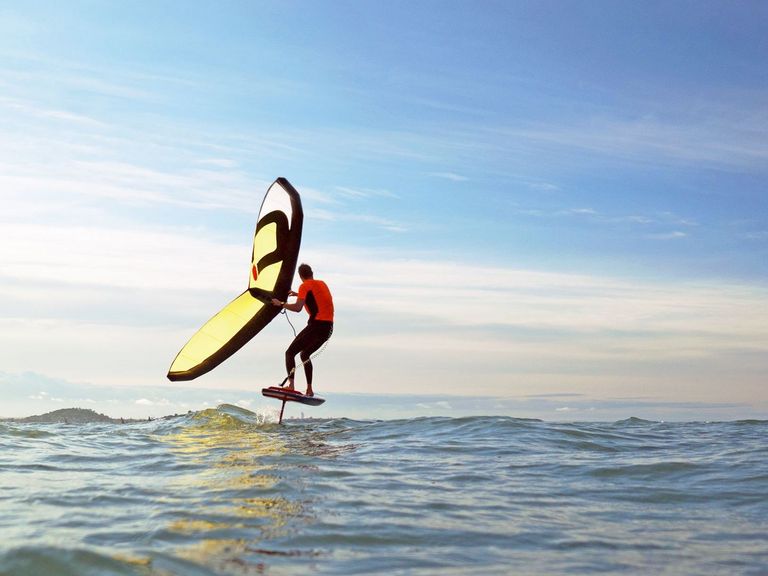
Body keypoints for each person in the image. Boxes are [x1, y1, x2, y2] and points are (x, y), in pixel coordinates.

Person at [272, 263, 334, 396]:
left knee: (289, 353)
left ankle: (291, 386)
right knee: (305, 355)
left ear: (300, 276)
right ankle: (309, 389)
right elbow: (318, 299)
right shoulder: (322, 283)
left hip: (317, 325)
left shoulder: (304, 286)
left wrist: (281, 304)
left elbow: (297, 308)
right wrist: (299, 294)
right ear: (312, 273)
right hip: (328, 328)